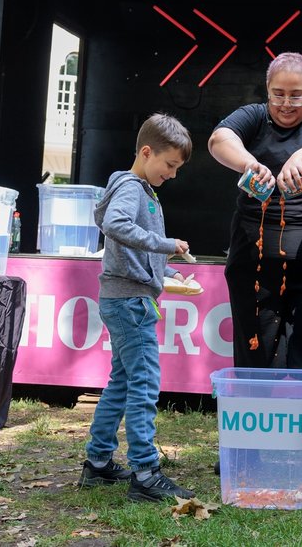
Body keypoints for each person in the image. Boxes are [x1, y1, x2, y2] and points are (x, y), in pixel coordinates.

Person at [207, 52, 302, 481]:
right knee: (254, 347)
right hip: (256, 260)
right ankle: (247, 445)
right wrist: (248, 163)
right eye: (278, 95)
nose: (286, 103)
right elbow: (220, 139)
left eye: (296, 95)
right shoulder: (253, 118)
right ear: (266, 92)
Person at [78, 112, 196, 503]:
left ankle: (97, 463)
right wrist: (165, 244)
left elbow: (131, 246)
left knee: (123, 382)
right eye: (170, 165)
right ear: (147, 152)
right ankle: (145, 472)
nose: (173, 174)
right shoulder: (131, 187)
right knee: (144, 385)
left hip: (125, 297)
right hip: (130, 303)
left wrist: (165, 270)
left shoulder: (136, 187)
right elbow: (115, 224)